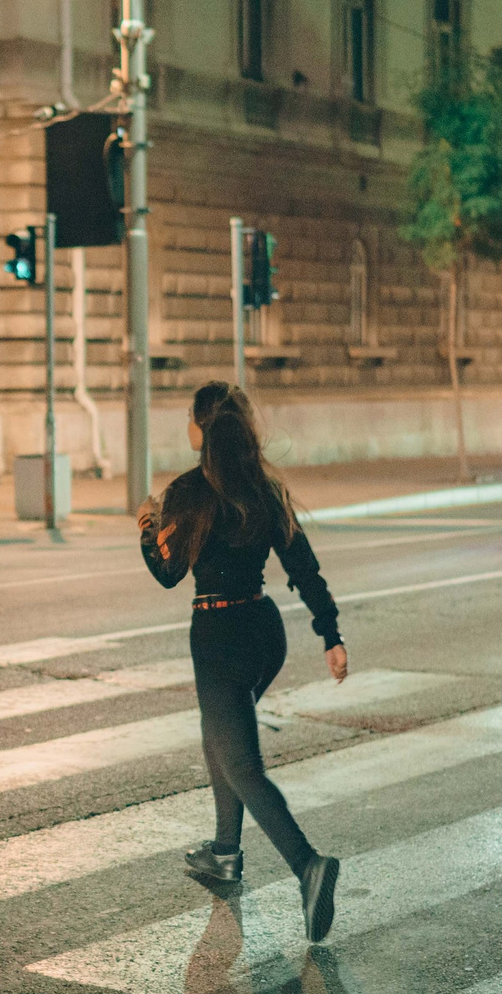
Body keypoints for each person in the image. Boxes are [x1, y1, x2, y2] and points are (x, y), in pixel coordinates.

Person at [137, 381, 348, 943]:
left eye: (189, 418)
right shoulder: (265, 487)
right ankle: (225, 851)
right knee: (221, 735)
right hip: (264, 630)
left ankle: (307, 865)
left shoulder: (187, 491)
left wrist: (146, 529)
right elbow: (303, 566)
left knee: (239, 761)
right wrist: (330, 633)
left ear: (201, 429)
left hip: (219, 636)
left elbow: (167, 572)